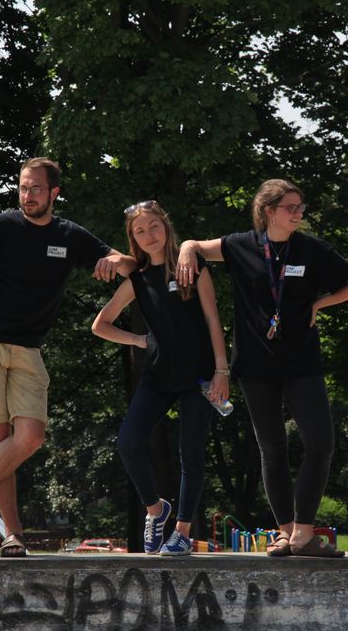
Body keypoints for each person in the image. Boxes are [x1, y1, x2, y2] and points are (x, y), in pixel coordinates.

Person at [0, 157, 135, 559]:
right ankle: (13, 535)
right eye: (23, 188)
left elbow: (130, 265)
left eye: (36, 189)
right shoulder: (0, 226)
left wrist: (118, 260)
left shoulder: (68, 235)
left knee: (29, 437)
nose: (27, 196)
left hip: (29, 348)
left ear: (54, 193)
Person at [177, 179, 348, 558]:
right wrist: (185, 249)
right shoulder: (241, 245)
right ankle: (285, 533)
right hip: (255, 364)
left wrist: (319, 304)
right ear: (269, 211)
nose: (298, 214)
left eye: (300, 207)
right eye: (290, 208)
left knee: (320, 444)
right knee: (272, 448)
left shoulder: (311, 248)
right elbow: (195, 245)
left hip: (302, 363)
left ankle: (304, 533)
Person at [91, 200, 229, 555]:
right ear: (133, 239)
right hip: (158, 374)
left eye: (154, 226)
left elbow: (213, 319)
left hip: (199, 376)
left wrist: (222, 371)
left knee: (190, 452)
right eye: (140, 231)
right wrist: (140, 340)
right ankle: (156, 510)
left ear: (166, 227)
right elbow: (100, 325)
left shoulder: (191, 266)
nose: (148, 235)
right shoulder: (136, 279)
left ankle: (182, 532)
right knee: (128, 442)